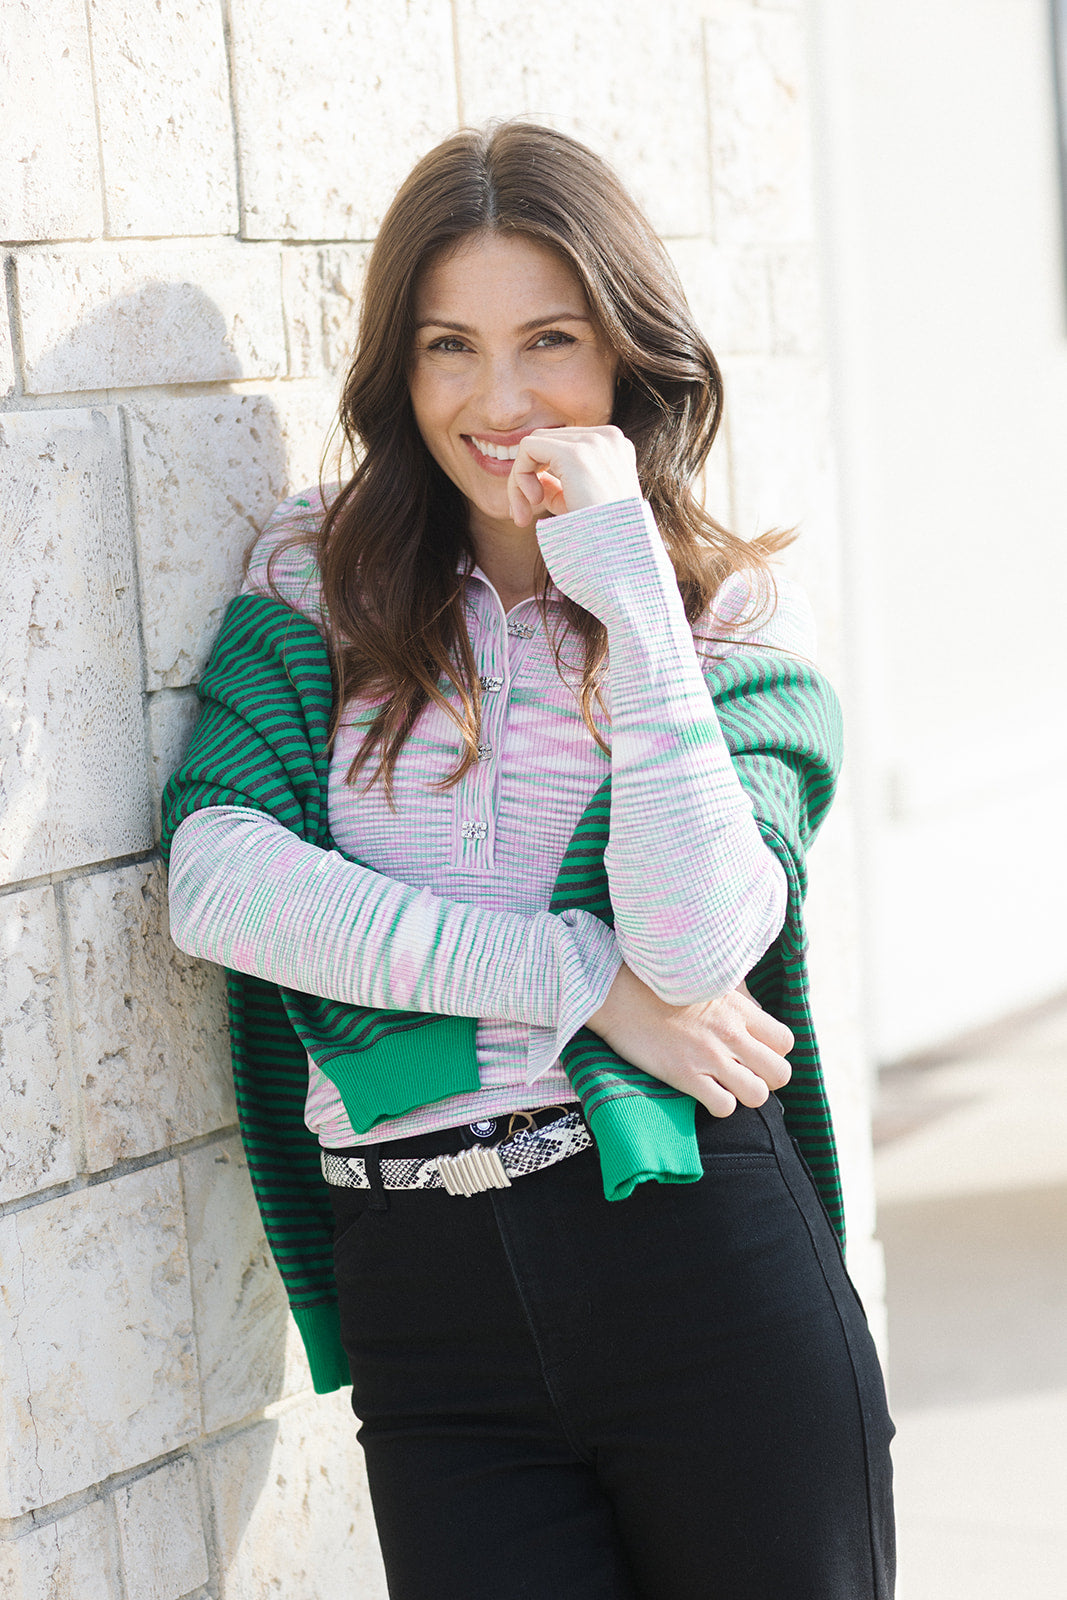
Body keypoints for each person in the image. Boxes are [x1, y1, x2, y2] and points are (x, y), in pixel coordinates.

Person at [162, 121, 894, 1599]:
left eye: (548, 341)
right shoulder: (317, 580)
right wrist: (580, 981)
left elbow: (694, 950)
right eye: (449, 347)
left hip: (699, 1265)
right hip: (427, 1309)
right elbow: (220, 880)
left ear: (625, 356)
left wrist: (623, 572)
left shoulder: (719, 618)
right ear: (398, 367)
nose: (498, 403)